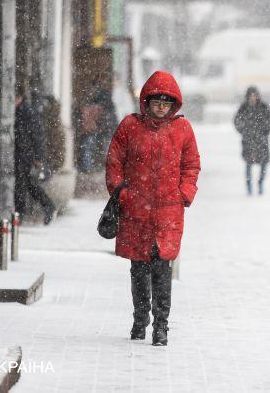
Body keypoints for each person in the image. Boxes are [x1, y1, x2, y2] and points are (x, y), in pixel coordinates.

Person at [105, 71, 201, 346]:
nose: (161, 107)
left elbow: (191, 164)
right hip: (136, 210)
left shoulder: (182, 130)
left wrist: (185, 192)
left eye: (166, 103)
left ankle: (161, 325)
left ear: (174, 105)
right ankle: (139, 320)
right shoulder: (130, 127)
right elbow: (114, 161)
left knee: (162, 269)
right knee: (138, 268)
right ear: (146, 102)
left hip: (168, 211)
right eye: (156, 101)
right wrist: (120, 192)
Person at [14, 90, 56, 225]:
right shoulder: (23, 111)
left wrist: (37, 157)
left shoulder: (27, 113)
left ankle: (21, 213)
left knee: (24, 184)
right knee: (27, 184)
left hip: (25, 154)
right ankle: (46, 206)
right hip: (23, 153)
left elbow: (37, 135)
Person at [234, 86, 270, 195]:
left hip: (262, 141)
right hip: (248, 141)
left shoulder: (263, 107)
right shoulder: (243, 107)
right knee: (248, 163)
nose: (253, 98)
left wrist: (265, 130)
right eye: (251, 95)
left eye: (254, 95)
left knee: (264, 164)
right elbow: (237, 121)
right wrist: (244, 131)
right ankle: (249, 186)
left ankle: (260, 183)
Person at [79, 82, 118, 173]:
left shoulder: (99, 102)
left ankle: (91, 167)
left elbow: (104, 117)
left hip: (104, 129)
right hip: (104, 128)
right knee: (105, 149)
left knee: (103, 148)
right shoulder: (103, 101)